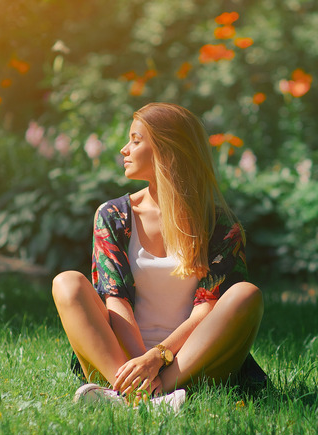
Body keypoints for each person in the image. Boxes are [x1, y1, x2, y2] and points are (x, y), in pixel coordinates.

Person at [51, 102, 265, 408]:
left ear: (168, 150)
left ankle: (141, 398)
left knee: (246, 294)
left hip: (190, 359)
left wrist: (158, 357)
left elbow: (206, 310)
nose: (125, 149)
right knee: (66, 282)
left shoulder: (219, 223)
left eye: (136, 140)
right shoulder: (114, 215)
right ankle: (138, 395)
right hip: (121, 360)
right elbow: (115, 300)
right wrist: (140, 364)